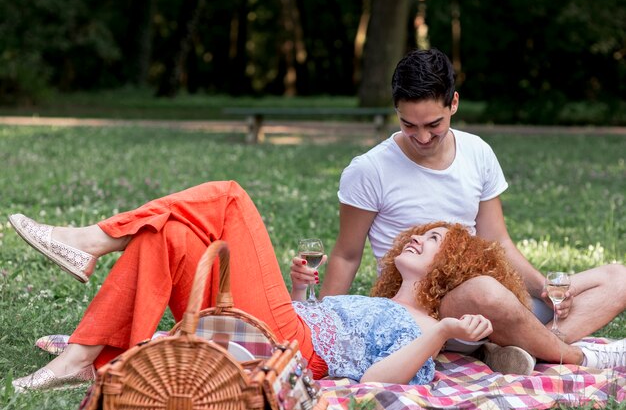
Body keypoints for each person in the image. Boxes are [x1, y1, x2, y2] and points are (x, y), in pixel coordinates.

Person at [290, 48, 626, 371]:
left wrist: (544, 289)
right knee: (486, 292)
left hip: (492, 292)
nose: (421, 137)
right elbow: (347, 255)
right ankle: (570, 355)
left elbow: (499, 241)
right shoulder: (369, 170)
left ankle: (520, 347)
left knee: (619, 279)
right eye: (410, 125)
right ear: (397, 112)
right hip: (426, 310)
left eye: (433, 124)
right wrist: (322, 329)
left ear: (454, 103)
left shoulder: (477, 152)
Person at [9, 181, 499, 392]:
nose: (416, 238)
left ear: (447, 269)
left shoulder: (423, 328)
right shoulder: (378, 302)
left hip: (281, 346)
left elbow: (374, 382)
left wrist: (441, 334)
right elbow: (320, 329)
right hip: (272, 329)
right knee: (169, 234)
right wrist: (299, 292)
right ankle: (80, 358)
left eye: (433, 240)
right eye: (421, 232)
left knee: (229, 197)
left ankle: (89, 241)